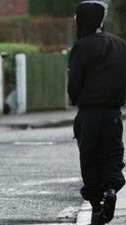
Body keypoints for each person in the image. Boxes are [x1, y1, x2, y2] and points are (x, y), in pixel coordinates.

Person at [68, 1, 126, 225]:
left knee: (90, 159)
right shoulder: (121, 44)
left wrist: (76, 99)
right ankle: (111, 189)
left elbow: (75, 82)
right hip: (113, 114)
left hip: (89, 114)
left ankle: (95, 206)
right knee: (112, 156)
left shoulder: (82, 46)